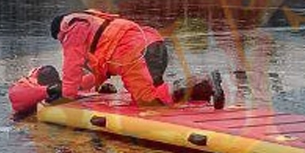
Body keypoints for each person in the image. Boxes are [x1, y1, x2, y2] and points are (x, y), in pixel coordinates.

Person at [50, 10, 225, 109]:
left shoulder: (72, 30)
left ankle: (206, 82)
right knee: (156, 93)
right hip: (153, 45)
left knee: (148, 102)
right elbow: (97, 69)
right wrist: (94, 87)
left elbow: (72, 66)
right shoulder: (94, 22)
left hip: (136, 56)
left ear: (60, 32)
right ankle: (203, 90)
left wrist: (66, 96)